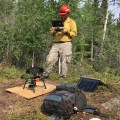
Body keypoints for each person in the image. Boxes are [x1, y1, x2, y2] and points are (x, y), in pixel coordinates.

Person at [43, 4, 77, 79]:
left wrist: (67, 32)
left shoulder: (71, 22)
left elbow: (74, 34)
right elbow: (52, 32)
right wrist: (54, 31)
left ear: (67, 14)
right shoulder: (56, 22)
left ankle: (62, 78)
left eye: (63, 15)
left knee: (64, 62)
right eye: (61, 15)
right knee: (49, 59)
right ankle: (45, 75)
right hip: (56, 43)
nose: (62, 16)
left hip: (66, 43)